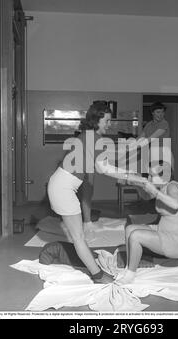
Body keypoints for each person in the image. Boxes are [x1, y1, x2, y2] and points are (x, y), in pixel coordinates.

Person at [47, 102, 114, 284]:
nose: (110, 124)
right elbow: (105, 169)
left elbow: (97, 168)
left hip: (61, 185)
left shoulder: (89, 136)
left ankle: (94, 270)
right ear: (96, 120)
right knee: (78, 237)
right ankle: (98, 276)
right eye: (107, 120)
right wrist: (135, 178)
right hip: (62, 189)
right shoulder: (93, 138)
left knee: (79, 236)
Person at [115, 161, 178, 285]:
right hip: (163, 231)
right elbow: (145, 196)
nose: (149, 178)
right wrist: (136, 183)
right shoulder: (162, 187)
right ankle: (130, 268)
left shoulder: (173, 186)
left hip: (177, 241)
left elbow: (175, 204)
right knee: (130, 229)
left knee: (136, 236)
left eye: (152, 175)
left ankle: (129, 277)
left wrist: (155, 192)